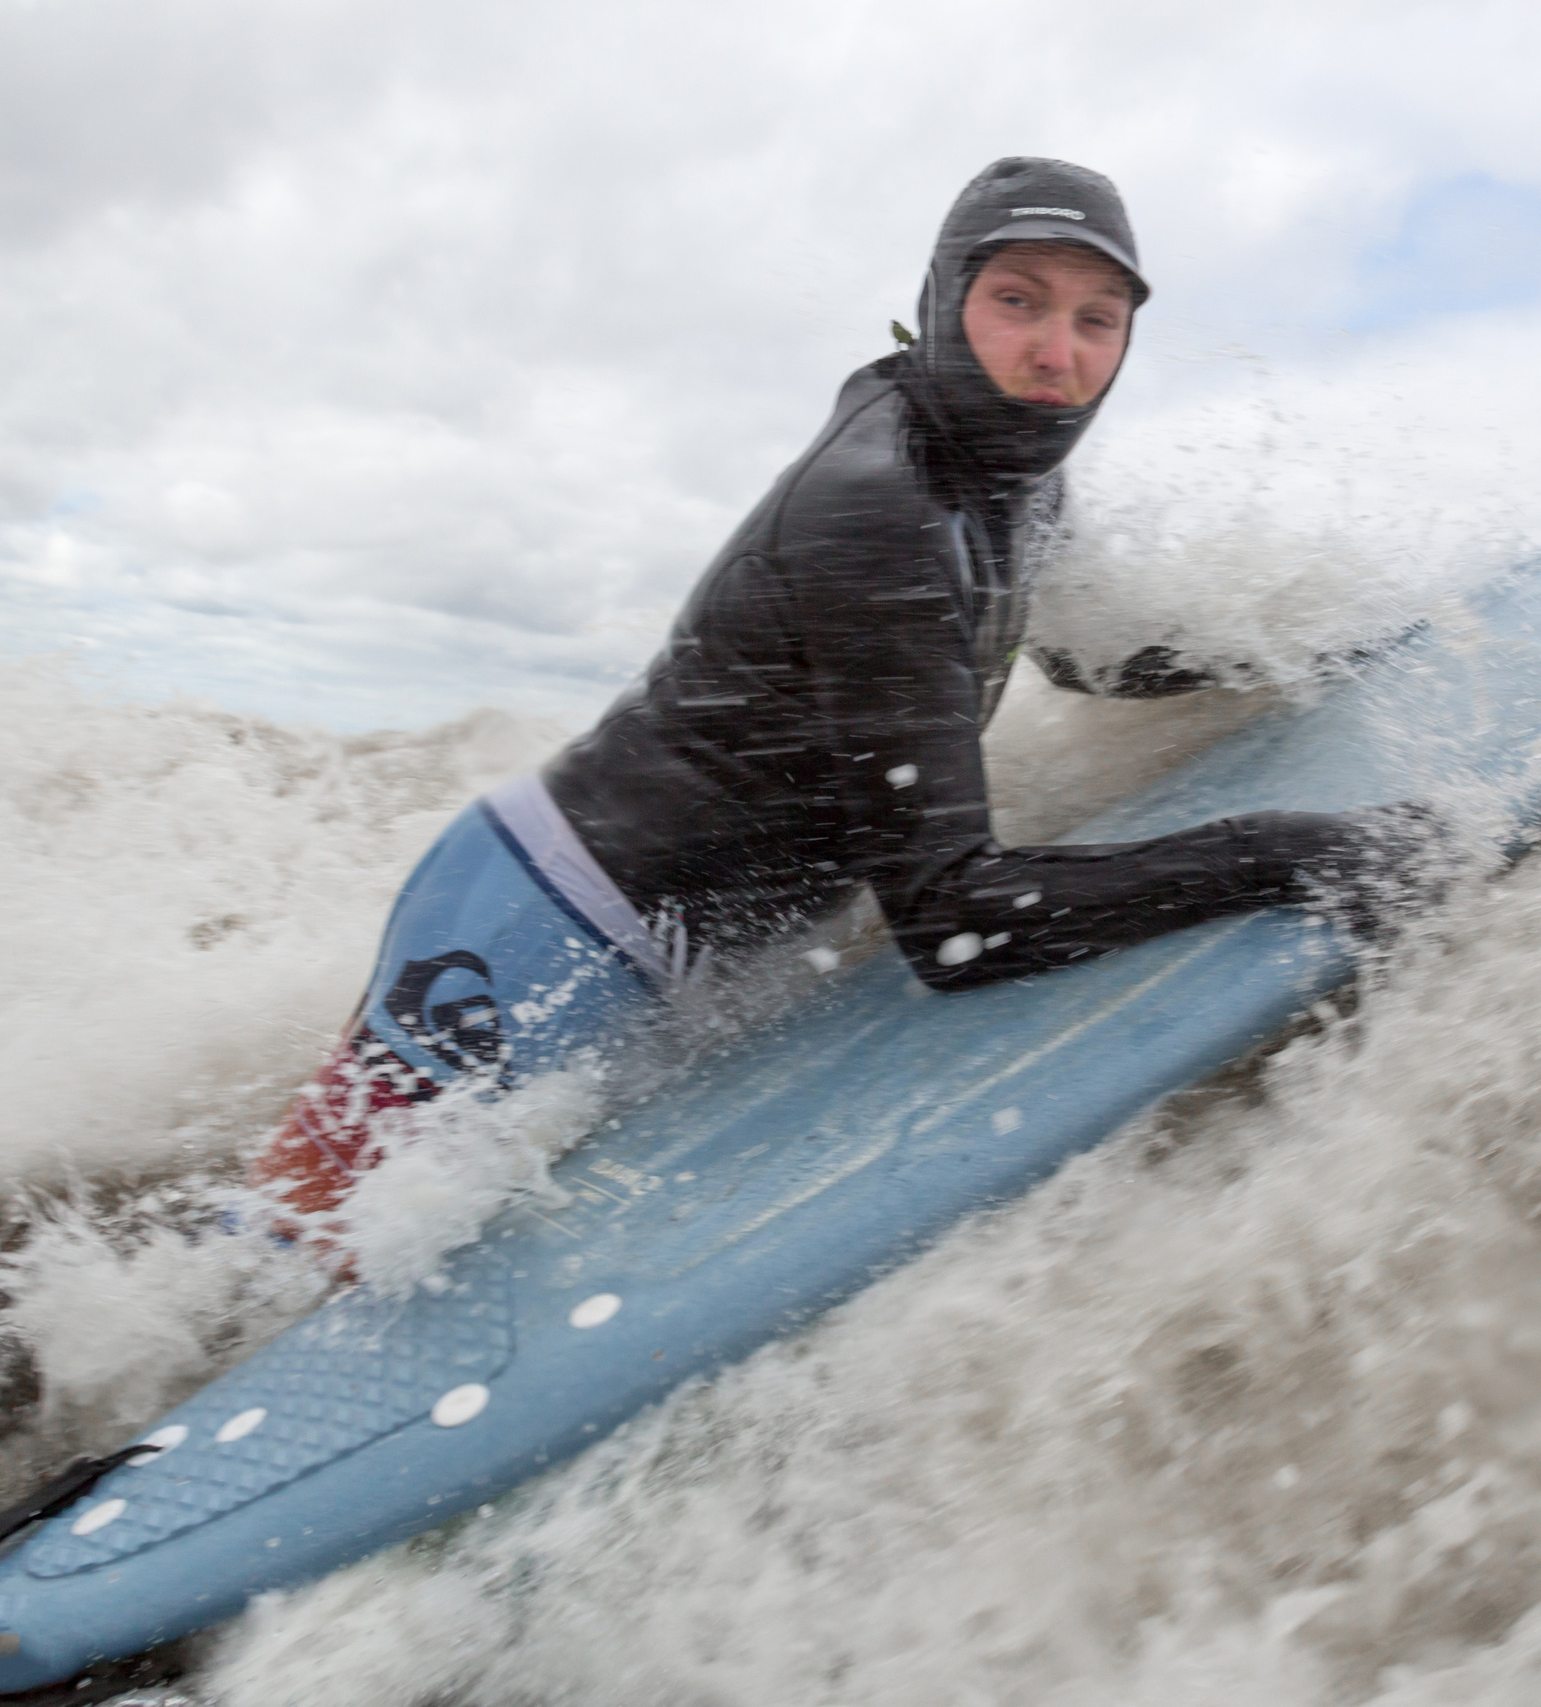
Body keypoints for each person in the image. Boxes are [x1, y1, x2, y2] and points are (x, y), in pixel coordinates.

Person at [255, 157, 1440, 1226]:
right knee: (297, 1251)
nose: (1056, 352)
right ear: (943, 302)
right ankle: (98, 1404)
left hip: (670, 940)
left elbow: (1070, 660)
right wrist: (1295, 849)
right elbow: (958, 924)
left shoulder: (1010, 472)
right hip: (543, 924)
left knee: (387, 1234)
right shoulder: (880, 513)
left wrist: (1286, 651)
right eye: (1017, 301)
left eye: (1097, 319)